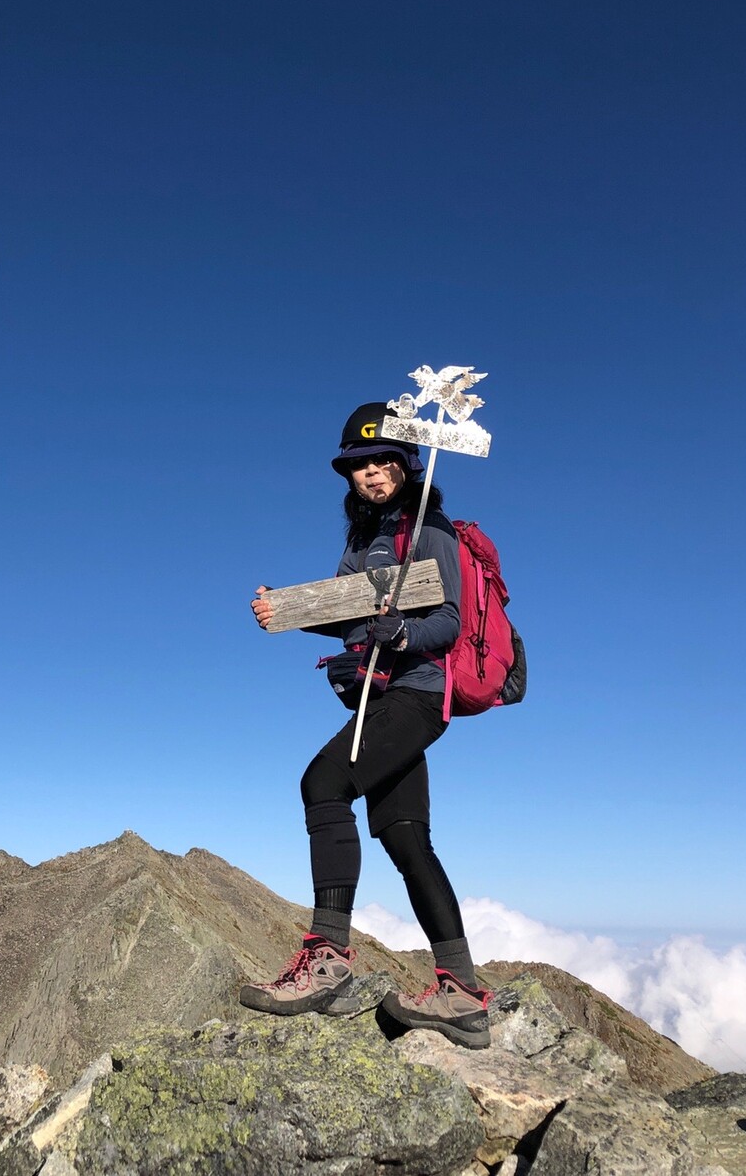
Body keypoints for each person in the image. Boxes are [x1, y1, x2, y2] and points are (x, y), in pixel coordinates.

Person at [239, 402, 493, 1049]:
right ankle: (460, 993)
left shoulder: (426, 527)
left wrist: (402, 631)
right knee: (404, 836)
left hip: (415, 693)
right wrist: (286, 610)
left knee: (322, 784)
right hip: (378, 697)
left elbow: (451, 621)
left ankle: (326, 957)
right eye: (361, 464)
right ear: (347, 473)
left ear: (407, 464)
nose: (373, 473)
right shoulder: (362, 539)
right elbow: (349, 610)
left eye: (384, 461)